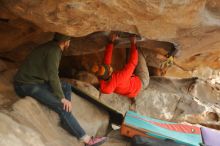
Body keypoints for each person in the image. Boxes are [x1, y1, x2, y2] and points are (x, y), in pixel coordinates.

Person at [13, 33, 107, 146]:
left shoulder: (52, 47)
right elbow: (53, 76)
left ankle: (66, 116)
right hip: (26, 85)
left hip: (36, 81)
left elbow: (51, 74)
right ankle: (87, 139)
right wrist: (62, 98)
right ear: (66, 41)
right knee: (62, 105)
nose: (69, 42)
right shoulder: (54, 51)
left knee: (66, 86)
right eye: (69, 40)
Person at [92, 33, 149, 100]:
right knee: (138, 51)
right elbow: (133, 62)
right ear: (110, 72)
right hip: (141, 82)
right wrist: (133, 43)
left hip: (130, 83)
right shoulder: (120, 77)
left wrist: (111, 41)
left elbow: (106, 60)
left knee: (129, 51)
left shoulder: (102, 80)